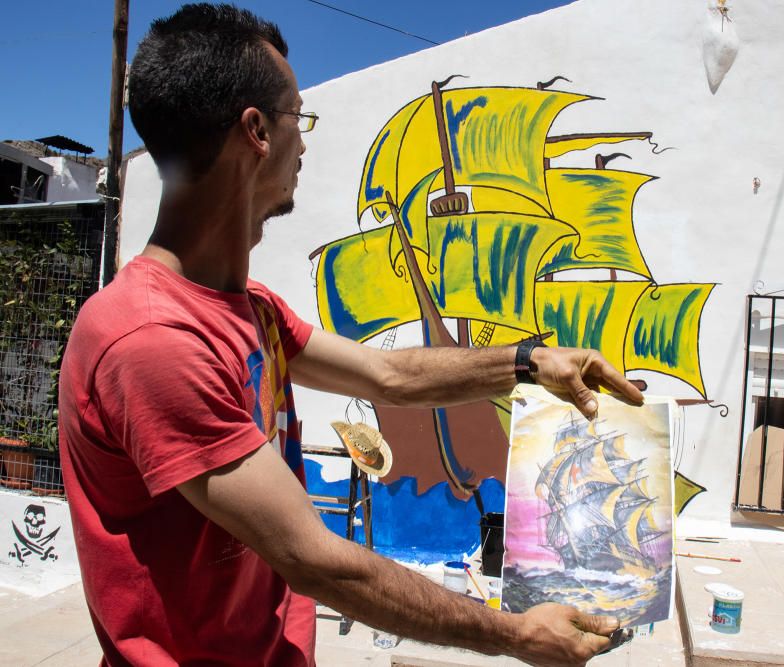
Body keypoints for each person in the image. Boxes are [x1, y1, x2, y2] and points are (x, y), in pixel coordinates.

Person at [58, 4, 645, 666]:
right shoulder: (150, 338)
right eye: (296, 119)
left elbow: (387, 375)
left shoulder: (250, 308)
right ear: (254, 131)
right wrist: (515, 632)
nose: (303, 142)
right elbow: (317, 560)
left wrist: (530, 360)